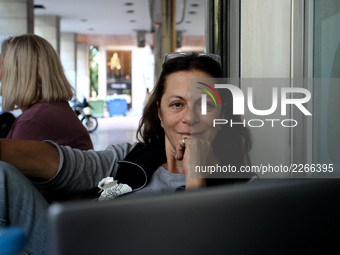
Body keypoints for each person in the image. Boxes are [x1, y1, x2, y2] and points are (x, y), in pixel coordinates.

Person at [0, 52, 255, 254]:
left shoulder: (244, 186)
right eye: (177, 104)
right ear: (160, 114)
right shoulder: (132, 156)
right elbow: (64, 164)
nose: (190, 117)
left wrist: (196, 180)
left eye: (206, 105)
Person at [0, 34, 94, 202]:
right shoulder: (54, 110)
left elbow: (15, 197)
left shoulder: (33, 121)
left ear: (18, 73)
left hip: (58, 223)